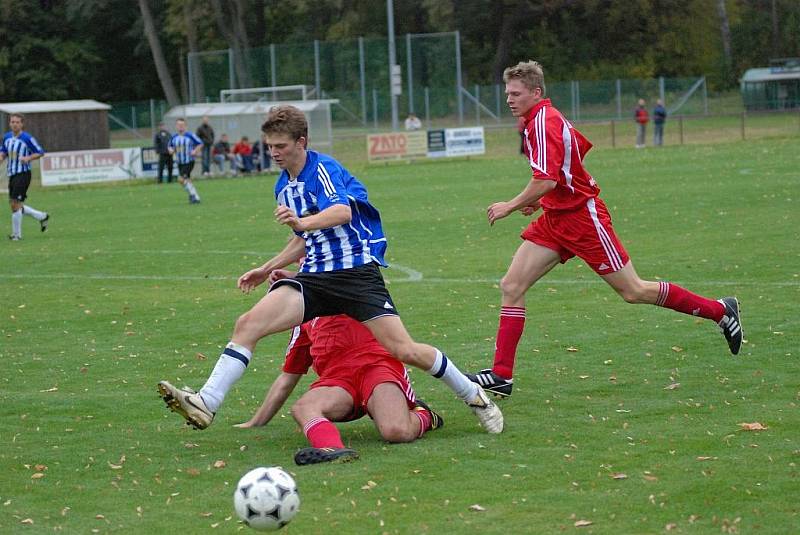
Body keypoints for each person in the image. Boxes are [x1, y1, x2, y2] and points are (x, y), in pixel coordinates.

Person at [158, 104, 502, 435]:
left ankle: (473, 395)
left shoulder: (323, 169)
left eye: (281, 146)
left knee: (404, 350)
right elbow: (303, 240)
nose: (274, 153)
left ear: (301, 142)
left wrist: (302, 221)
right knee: (247, 324)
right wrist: (267, 268)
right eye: (270, 146)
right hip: (315, 279)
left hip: (355, 275)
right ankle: (207, 401)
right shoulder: (283, 186)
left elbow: (341, 213)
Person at [465, 61, 743, 398]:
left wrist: (511, 204)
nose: (509, 99)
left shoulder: (542, 122)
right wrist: (540, 201)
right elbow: (569, 164)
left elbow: (547, 178)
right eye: (507, 93)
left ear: (536, 93)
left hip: (583, 220)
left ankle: (721, 311)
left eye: (515, 93)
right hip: (556, 219)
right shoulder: (540, 120)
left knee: (634, 291)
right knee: (512, 284)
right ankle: (501, 375)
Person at [235, 308, 444, 465]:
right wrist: (255, 422)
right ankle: (333, 448)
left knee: (396, 431)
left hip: (377, 366)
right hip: (338, 382)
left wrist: (280, 273)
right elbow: (288, 377)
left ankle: (425, 415)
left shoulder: (353, 281)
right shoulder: (303, 316)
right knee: (302, 407)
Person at [1, 113, 49, 241]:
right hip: (12, 173)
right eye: (12, 122)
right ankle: (41, 216)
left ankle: (16, 235)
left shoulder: (27, 138)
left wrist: (28, 158)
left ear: (22, 124)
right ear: (10, 123)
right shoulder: (6, 137)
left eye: (17, 122)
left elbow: (40, 152)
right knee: (13, 204)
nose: (14, 124)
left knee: (15, 204)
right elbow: (3, 152)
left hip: (23, 174)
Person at [168, 118, 203, 204]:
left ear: (185, 126)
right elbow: (169, 146)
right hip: (180, 162)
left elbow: (200, 143)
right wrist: (171, 150)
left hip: (189, 161)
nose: (181, 127)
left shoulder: (190, 135)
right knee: (187, 180)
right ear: (176, 126)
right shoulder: (174, 137)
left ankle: (195, 196)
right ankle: (193, 196)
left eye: (182, 125)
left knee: (180, 179)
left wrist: (195, 151)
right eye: (179, 125)